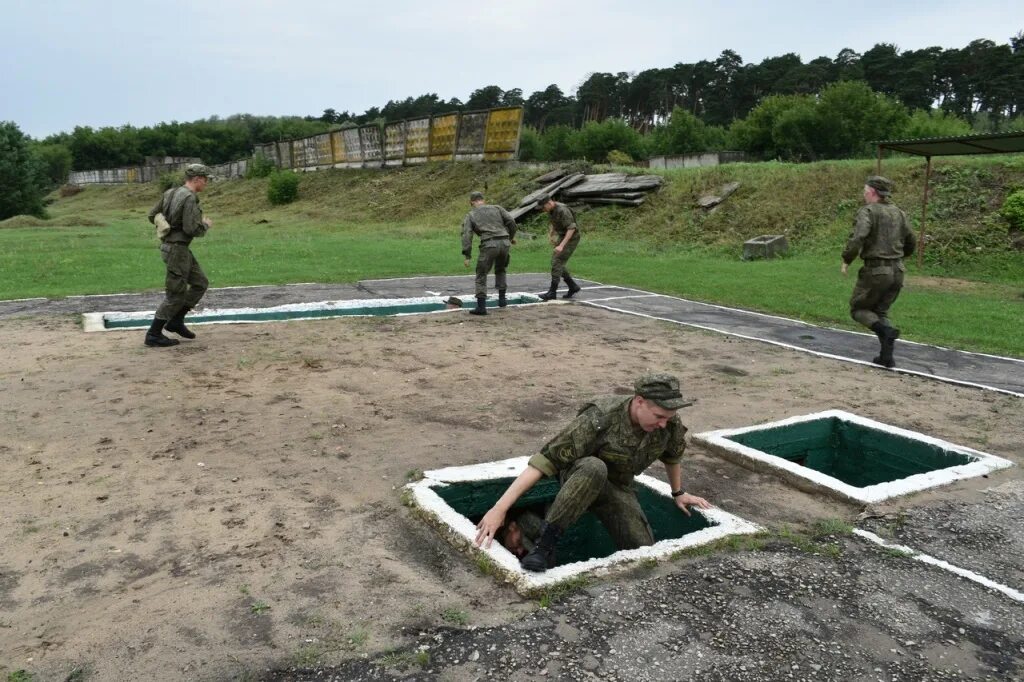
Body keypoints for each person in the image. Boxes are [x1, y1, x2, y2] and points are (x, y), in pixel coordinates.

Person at [474, 373, 712, 572]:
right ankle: (543, 548)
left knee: (644, 554)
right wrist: (500, 508)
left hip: (617, 487)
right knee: (594, 467)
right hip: (579, 479)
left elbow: (673, 455)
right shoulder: (600, 417)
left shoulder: (668, 422)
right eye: (659, 416)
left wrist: (678, 492)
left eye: (667, 417)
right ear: (639, 401)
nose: (663, 423)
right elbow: (544, 461)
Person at [841, 176, 916, 368]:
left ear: (873, 192)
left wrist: (847, 259)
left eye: (865, 191)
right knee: (880, 311)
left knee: (858, 309)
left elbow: (859, 236)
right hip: (898, 270)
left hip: (876, 270)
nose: (864, 194)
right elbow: (911, 240)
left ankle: (884, 331)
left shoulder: (867, 211)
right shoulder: (899, 213)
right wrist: (899, 256)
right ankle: (886, 356)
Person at [144, 163, 213, 347]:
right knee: (175, 294)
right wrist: (205, 225)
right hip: (177, 250)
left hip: (176, 249)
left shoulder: (171, 192)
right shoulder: (190, 198)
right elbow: (191, 229)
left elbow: (152, 215)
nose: (206, 183)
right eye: (205, 180)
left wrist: (165, 225)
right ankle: (153, 334)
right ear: (197, 179)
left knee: (200, 283)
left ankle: (176, 320)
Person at [461, 191, 518, 316]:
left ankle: (481, 307)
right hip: (505, 243)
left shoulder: (471, 214)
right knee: (501, 269)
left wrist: (467, 255)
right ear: (483, 200)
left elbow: (467, 235)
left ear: (471, 202)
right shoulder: (497, 208)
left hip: (489, 244)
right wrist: (510, 237)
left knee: (481, 274)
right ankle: (502, 301)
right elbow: (512, 222)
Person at [536, 195, 582, 301]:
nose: (543, 210)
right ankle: (572, 286)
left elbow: (571, 228)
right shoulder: (552, 210)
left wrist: (561, 245)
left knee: (557, 262)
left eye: (543, 207)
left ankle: (552, 292)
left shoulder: (562, 210)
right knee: (556, 262)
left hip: (571, 237)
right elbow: (554, 221)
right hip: (562, 235)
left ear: (549, 203)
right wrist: (552, 232)